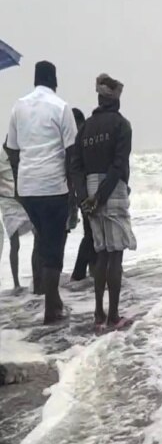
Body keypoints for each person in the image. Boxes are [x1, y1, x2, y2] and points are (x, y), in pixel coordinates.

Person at [5, 61, 77, 322]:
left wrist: (17, 177)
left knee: (42, 239)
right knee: (54, 245)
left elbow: (10, 148)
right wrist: (73, 190)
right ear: (54, 80)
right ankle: (50, 308)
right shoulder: (61, 107)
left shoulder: (18, 106)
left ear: (36, 79)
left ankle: (51, 299)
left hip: (27, 188)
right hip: (53, 187)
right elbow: (72, 152)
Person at [70, 73, 136, 332]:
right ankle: (114, 316)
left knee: (99, 254)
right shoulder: (122, 125)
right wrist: (102, 196)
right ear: (116, 98)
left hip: (88, 191)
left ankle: (98, 313)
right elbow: (119, 166)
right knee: (115, 254)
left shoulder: (85, 128)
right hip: (112, 189)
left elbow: (75, 166)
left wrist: (83, 197)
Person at [0, 138, 38, 291]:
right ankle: (16, 283)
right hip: (8, 202)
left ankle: (37, 277)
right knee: (14, 243)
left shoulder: (23, 155)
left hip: (24, 199)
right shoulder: (1, 157)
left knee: (38, 235)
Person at [69, 108, 98, 281]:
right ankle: (81, 274)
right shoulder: (81, 139)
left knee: (91, 234)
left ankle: (85, 273)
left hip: (86, 191)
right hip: (86, 192)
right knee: (91, 234)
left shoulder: (81, 139)